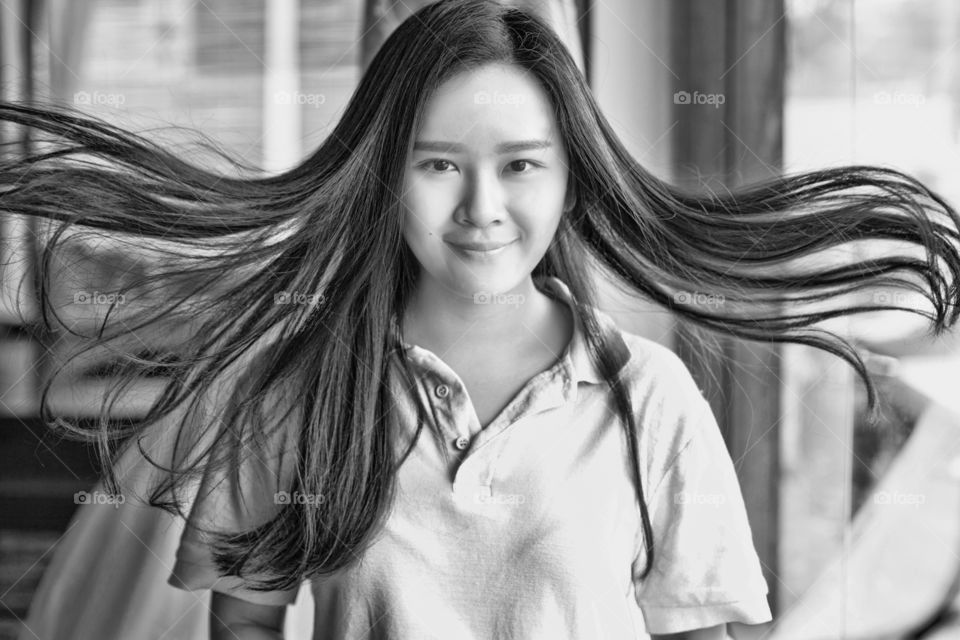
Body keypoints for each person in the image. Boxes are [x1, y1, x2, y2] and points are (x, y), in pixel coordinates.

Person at [3, 0, 960, 637]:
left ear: (571, 176)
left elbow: (698, 631)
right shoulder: (295, 389)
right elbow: (246, 621)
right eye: (438, 164)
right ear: (383, 176)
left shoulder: (651, 397)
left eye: (521, 164)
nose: (482, 209)